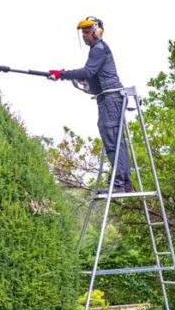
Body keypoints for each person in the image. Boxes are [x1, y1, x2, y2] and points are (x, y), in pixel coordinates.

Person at [49, 16, 133, 193]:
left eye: (87, 32)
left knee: (112, 139)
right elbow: (91, 75)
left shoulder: (99, 49)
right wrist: (80, 78)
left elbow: (88, 71)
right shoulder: (97, 50)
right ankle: (125, 184)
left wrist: (62, 74)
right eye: (83, 33)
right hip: (109, 98)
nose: (85, 36)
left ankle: (118, 185)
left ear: (97, 32)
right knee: (116, 140)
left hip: (111, 98)